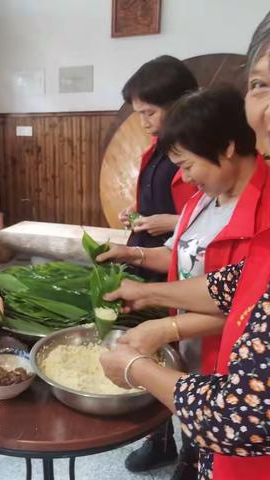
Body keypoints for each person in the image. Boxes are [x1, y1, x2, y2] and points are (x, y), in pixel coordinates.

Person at [100, 10, 270, 480]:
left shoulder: (261, 216)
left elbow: (241, 416)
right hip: (200, 381)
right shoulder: (201, 199)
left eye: (189, 164)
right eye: (259, 86)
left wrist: (142, 361)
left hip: (229, 404)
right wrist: (143, 282)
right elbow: (230, 284)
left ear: (226, 147)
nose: (185, 177)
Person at [119, 55, 198, 282]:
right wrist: (135, 208)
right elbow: (156, 191)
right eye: (139, 114)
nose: (144, 122)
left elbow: (220, 212)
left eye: (150, 113)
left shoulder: (201, 151)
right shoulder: (157, 144)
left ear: (179, 104)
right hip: (144, 252)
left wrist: (174, 222)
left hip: (177, 259)